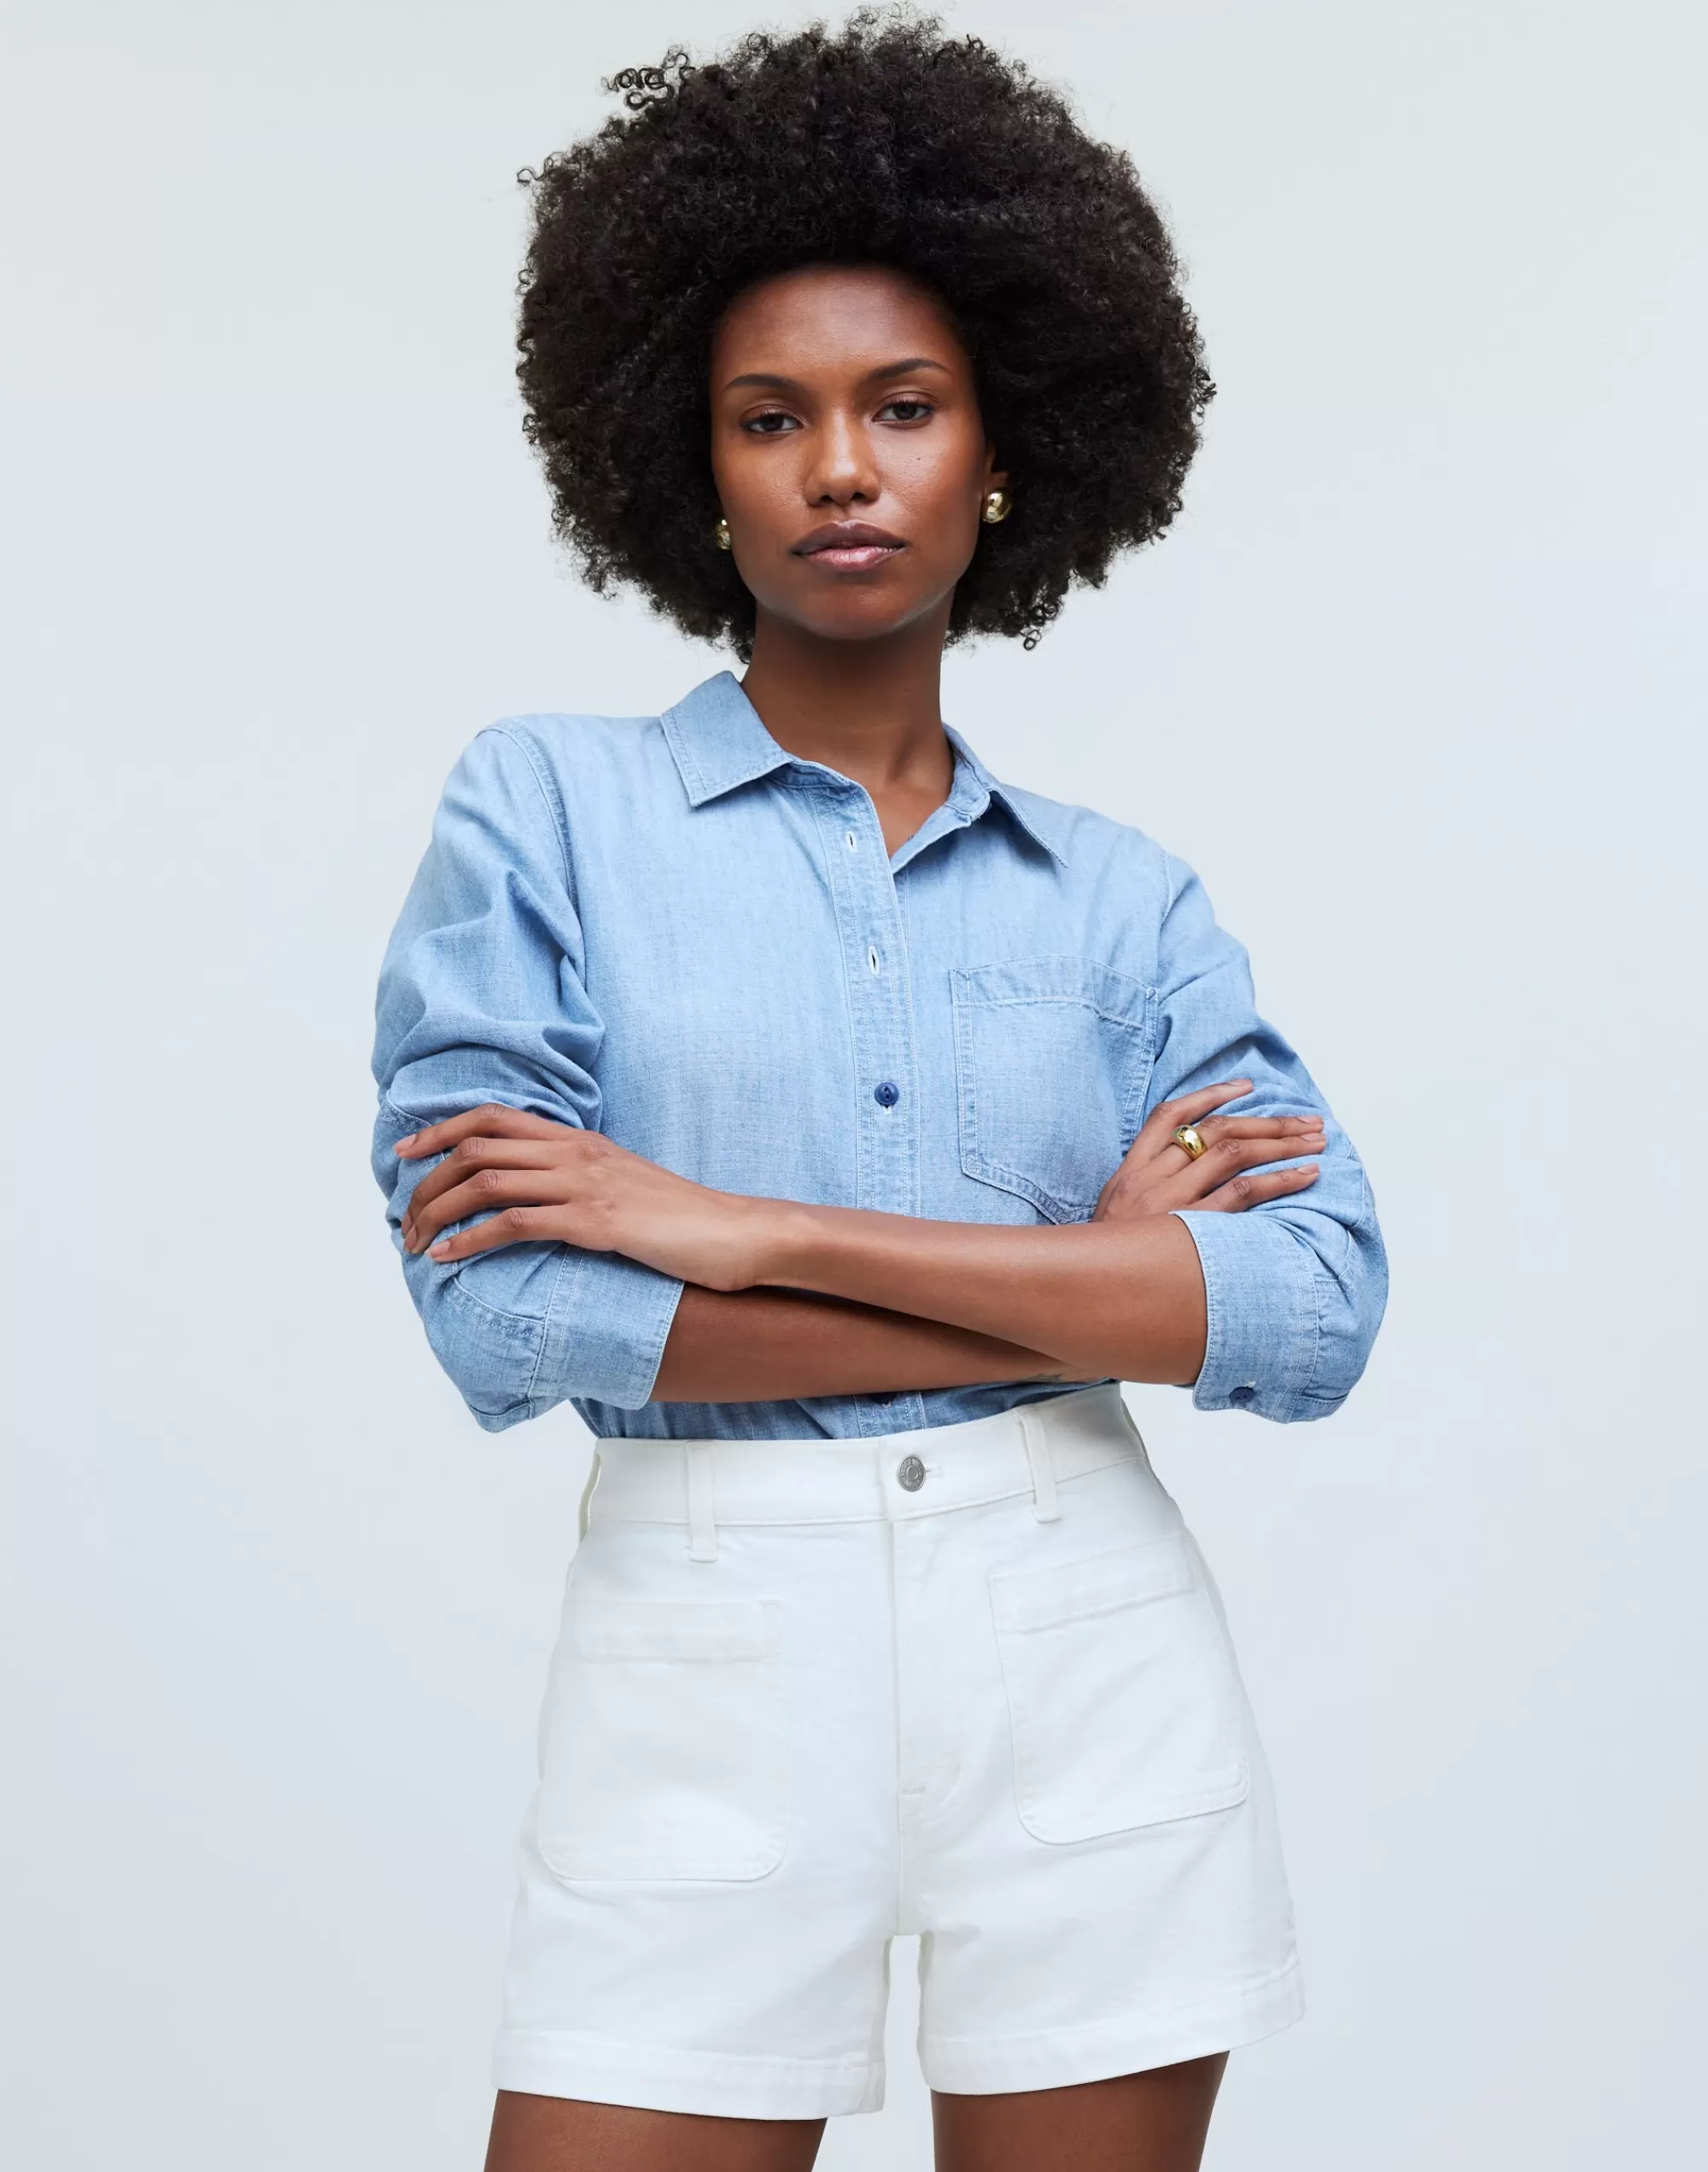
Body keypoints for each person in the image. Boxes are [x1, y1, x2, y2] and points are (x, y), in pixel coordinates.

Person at [371, 17, 1387, 2170]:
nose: (841, 466)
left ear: (998, 453)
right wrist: (1086, 1280)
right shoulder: (545, 810)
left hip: (1080, 1645)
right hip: (702, 1653)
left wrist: (753, 1232)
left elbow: (1306, 1307)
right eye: (773, 417)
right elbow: (507, 1314)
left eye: (899, 407)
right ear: (692, 462)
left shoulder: (1121, 903)